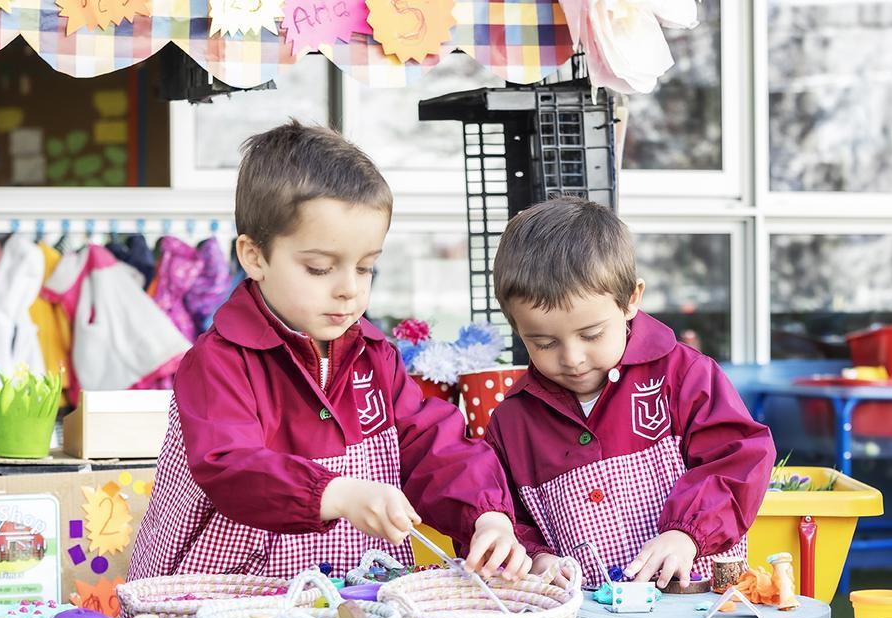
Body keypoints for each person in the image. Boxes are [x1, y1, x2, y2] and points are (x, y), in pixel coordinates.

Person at [129, 121, 531, 582]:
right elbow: (230, 466)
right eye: (319, 269)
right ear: (255, 256)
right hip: (221, 602)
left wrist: (488, 515)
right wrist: (334, 493)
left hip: (349, 603)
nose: (348, 290)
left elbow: (432, 445)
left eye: (365, 268)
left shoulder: (374, 358)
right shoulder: (220, 361)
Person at [486, 196, 775, 589]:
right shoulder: (512, 423)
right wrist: (536, 558)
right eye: (543, 343)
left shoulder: (684, 376)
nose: (572, 358)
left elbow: (740, 459)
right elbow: (506, 516)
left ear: (631, 300)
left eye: (591, 335)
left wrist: (687, 533)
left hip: (702, 605)